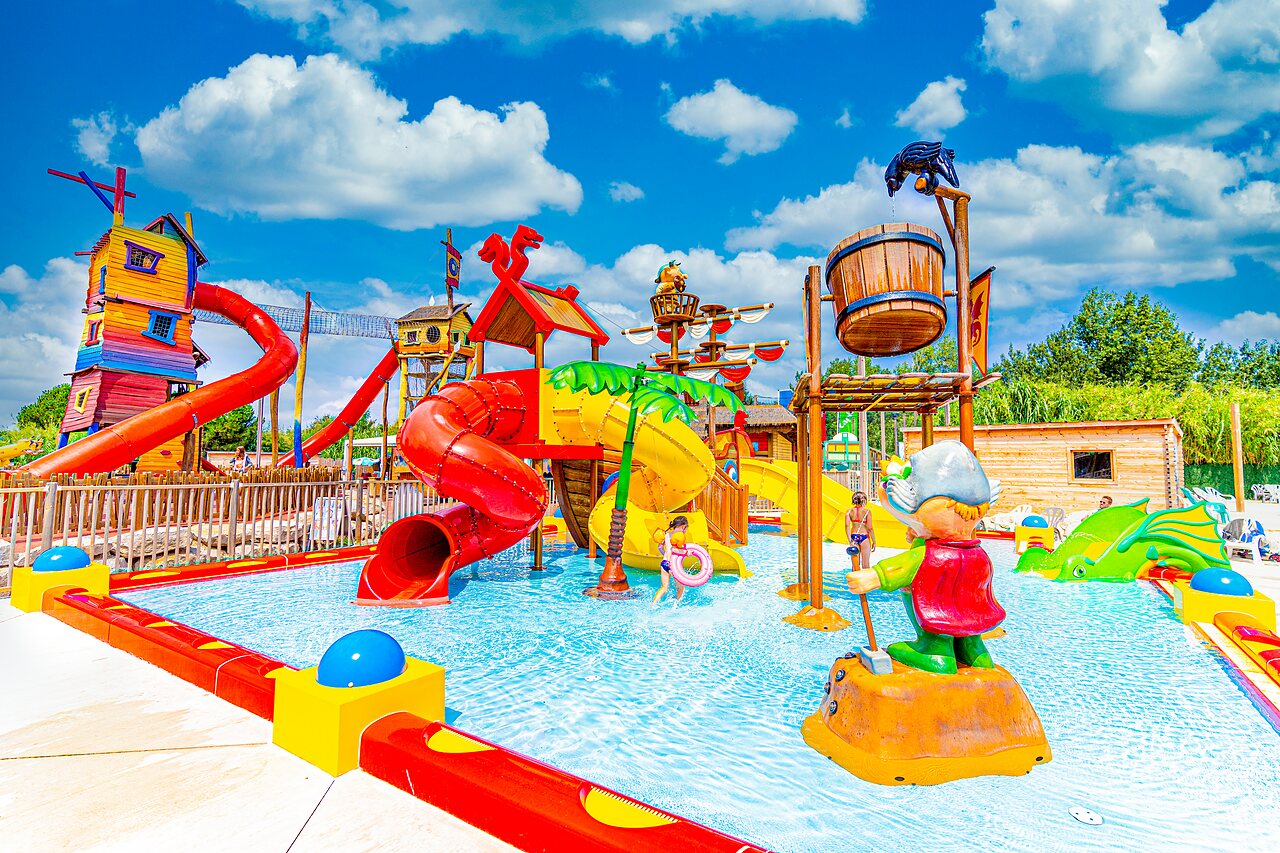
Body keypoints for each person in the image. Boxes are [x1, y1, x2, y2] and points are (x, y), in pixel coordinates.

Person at [655, 515, 690, 604]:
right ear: (683, 526)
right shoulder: (679, 536)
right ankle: (676, 606)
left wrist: (666, 556)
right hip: (672, 565)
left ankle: (653, 604)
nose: (685, 531)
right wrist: (686, 553)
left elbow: (660, 547)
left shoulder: (667, 535)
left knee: (664, 588)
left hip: (664, 563)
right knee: (680, 588)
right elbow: (673, 549)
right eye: (686, 528)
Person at [846, 491, 876, 573]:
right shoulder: (867, 512)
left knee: (855, 565)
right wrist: (874, 541)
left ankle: (854, 584)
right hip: (864, 537)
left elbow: (847, 526)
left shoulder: (849, 512)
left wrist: (850, 540)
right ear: (863, 500)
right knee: (866, 565)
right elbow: (870, 528)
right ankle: (866, 585)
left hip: (853, 538)